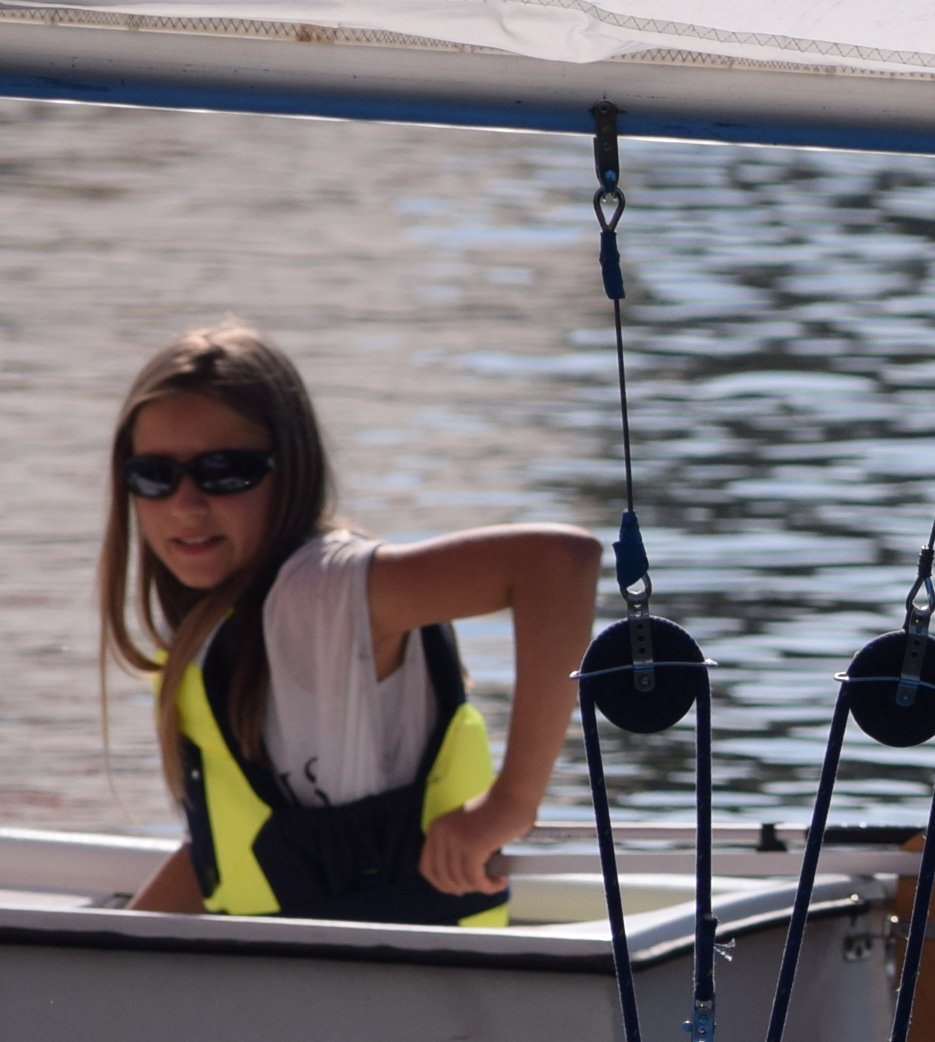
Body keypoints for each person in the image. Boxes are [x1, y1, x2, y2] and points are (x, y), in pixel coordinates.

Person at [96, 327, 597, 927]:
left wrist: (510, 802)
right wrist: (105, 958)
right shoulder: (232, 621)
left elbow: (558, 564)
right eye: (154, 475)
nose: (185, 504)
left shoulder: (320, 591)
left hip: (404, 975)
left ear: (291, 468)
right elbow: (225, 862)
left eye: (225, 471)